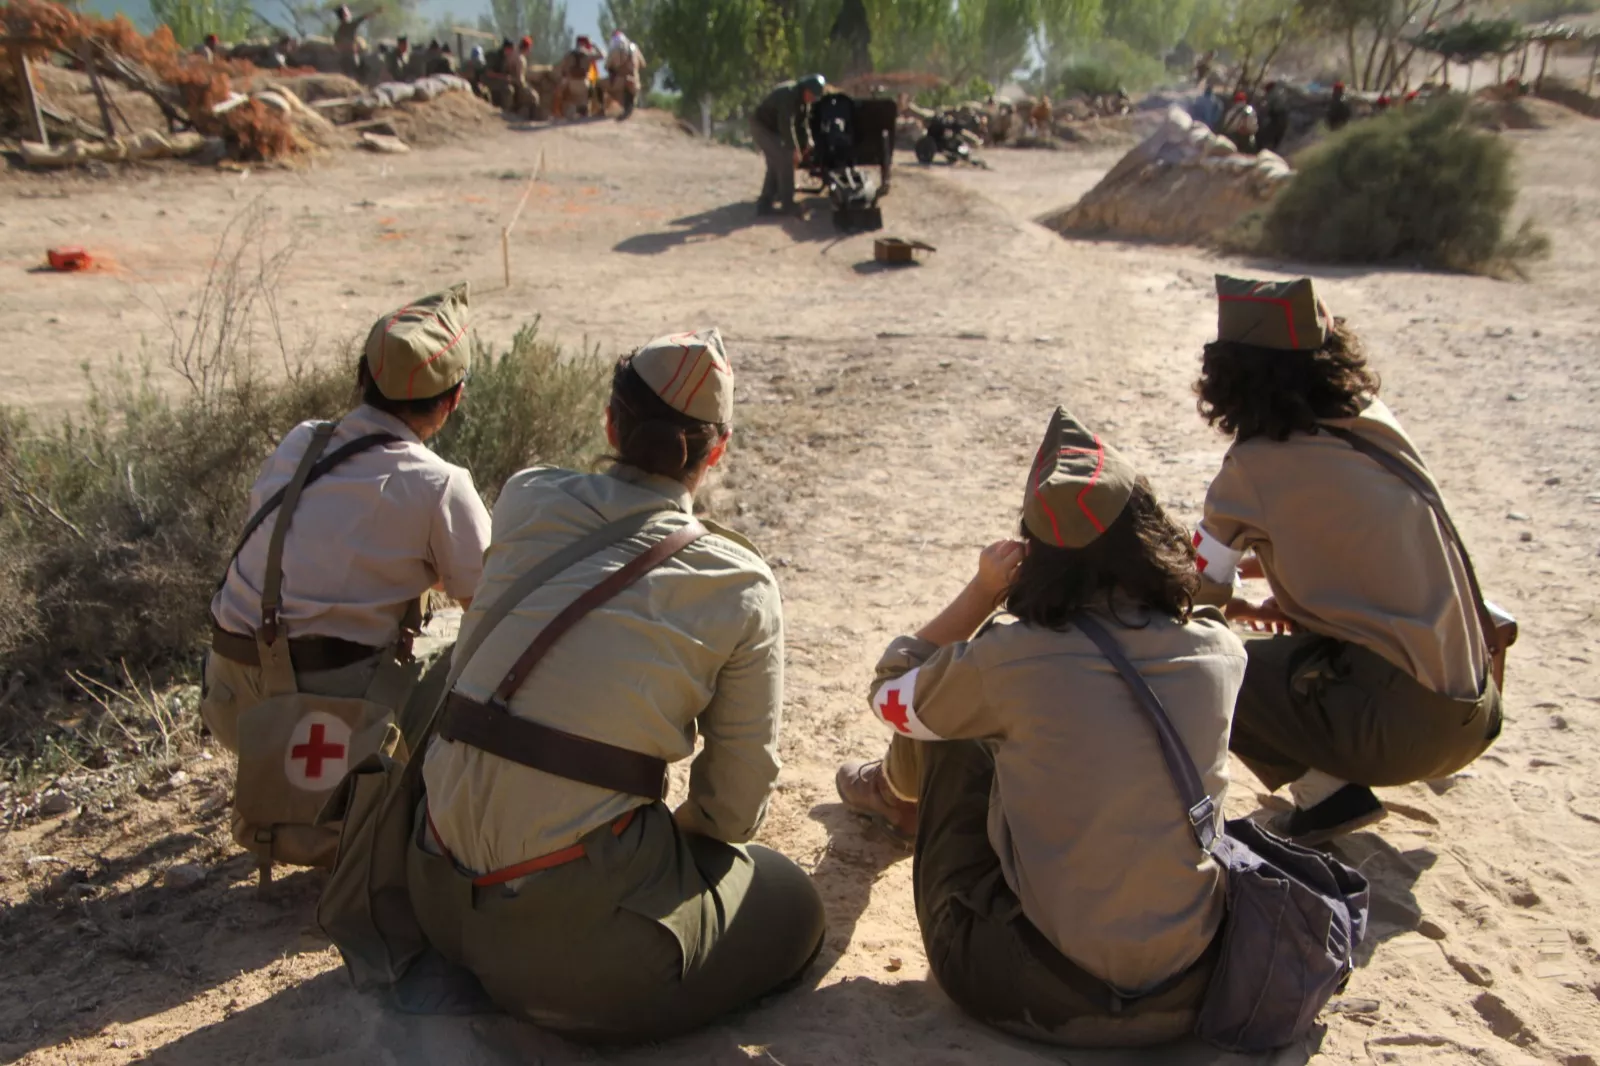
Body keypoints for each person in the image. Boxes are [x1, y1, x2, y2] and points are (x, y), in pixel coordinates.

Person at [411, 329, 826, 1042]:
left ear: (611, 423)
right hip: (575, 963)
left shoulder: (527, 494)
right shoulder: (739, 582)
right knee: (790, 899)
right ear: (715, 450)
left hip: (437, 896)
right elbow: (732, 812)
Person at [835, 407, 1244, 1046]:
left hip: (1037, 994)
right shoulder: (1220, 651)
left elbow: (890, 695)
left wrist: (981, 592)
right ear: (1151, 533)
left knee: (954, 719)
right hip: (1190, 988)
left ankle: (898, 797)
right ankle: (896, 794)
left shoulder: (1010, 659)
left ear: (1035, 557)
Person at [1191, 275, 1503, 844]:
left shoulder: (1252, 467)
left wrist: (1225, 598)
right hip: (1476, 709)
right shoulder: (1373, 420)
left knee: (1202, 665)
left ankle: (1325, 797)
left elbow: (1194, 592)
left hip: (1404, 728)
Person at [202, 285, 491, 859]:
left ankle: (316, 794)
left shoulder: (303, 441)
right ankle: (416, 820)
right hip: (321, 718)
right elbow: (492, 600)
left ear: (362, 377)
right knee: (474, 647)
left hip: (235, 702)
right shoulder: (438, 483)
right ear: (453, 400)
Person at [750, 74, 825, 216]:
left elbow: (803, 123)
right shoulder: (788, 95)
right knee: (784, 160)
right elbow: (786, 125)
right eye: (812, 95)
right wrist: (794, 149)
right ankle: (787, 204)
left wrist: (808, 141)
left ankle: (765, 203)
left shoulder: (804, 100)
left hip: (773, 129)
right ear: (806, 90)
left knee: (776, 163)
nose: (812, 99)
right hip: (762, 126)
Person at [604, 29, 646, 119]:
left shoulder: (614, 50)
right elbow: (643, 64)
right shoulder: (635, 48)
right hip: (635, 82)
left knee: (599, 84)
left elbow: (606, 66)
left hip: (619, 83)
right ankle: (629, 106)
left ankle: (601, 110)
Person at [334, 4, 378, 81]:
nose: (349, 13)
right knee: (356, 77)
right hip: (351, 57)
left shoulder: (339, 29)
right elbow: (362, 18)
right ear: (344, 14)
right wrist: (375, 12)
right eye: (347, 11)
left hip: (341, 58)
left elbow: (336, 43)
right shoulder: (349, 25)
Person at [1257, 80, 1290, 153]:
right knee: (1278, 134)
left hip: (1276, 116)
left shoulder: (1272, 93)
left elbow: (1266, 105)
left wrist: (1261, 108)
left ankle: (1264, 149)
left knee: (1267, 132)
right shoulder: (1280, 91)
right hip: (1283, 115)